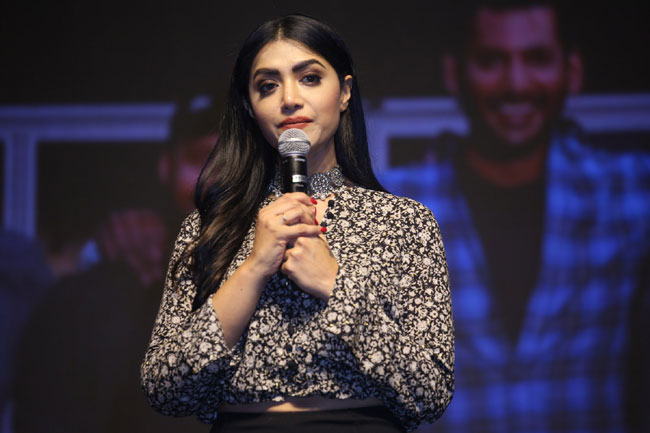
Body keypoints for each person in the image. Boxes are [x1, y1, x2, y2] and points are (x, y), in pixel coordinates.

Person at [140, 14, 454, 433]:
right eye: (268, 86)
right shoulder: (209, 227)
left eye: (309, 78)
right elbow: (164, 388)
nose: (289, 99)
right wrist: (253, 268)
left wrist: (335, 286)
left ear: (344, 92)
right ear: (250, 107)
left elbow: (430, 393)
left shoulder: (403, 223)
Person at [380, 1, 650, 432]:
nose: (516, 84)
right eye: (491, 61)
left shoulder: (627, 191)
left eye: (537, 58)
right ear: (454, 74)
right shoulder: (392, 206)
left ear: (572, 70)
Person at [11, 97, 217, 433]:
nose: (219, 180)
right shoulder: (87, 307)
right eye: (202, 159)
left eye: (241, 162)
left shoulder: (291, 298)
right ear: (166, 168)